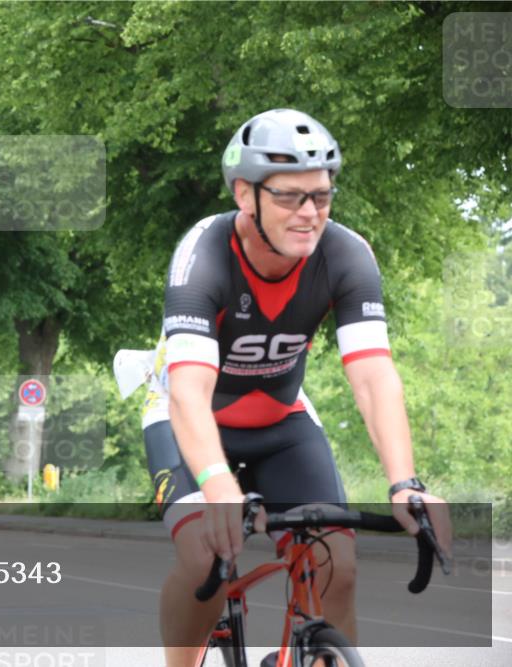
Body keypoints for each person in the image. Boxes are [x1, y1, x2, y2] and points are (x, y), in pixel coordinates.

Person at [141, 108, 453, 667]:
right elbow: (187, 391)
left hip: (282, 424)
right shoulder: (203, 255)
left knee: (338, 564)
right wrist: (216, 486)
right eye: (289, 197)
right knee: (201, 564)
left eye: (322, 196)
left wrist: (405, 483)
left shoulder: (346, 253)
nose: (309, 213)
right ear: (245, 194)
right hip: (189, 422)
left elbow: (374, 376)